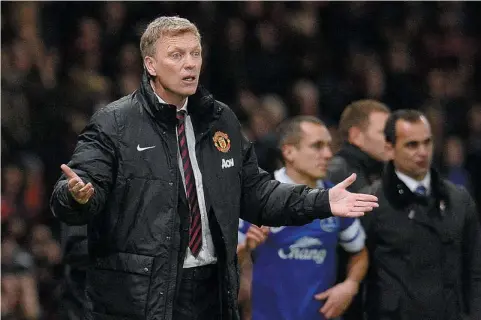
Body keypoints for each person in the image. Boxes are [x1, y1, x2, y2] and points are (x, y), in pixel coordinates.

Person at [50, 16, 378, 320]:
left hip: (211, 289)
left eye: (195, 53)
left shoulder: (221, 120)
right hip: (140, 296)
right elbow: (77, 191)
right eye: (177, 55)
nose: (190, 63)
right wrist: (76, 196)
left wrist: (322, 202)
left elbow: (257, 193)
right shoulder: (115, 122)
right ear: (150, 64)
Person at [361, 109, 481, 320]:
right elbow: (359, 277)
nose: (422, 152)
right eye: (412, 145)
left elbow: (477, 272)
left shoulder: (459, 200)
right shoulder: (370, 202)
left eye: (427, 143)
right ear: (389, 149)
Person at [238, 116, 369, 320]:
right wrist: (246, 249)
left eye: (329, 146)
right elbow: (224, 266)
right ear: (289, 151)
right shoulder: (258, 198)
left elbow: (359, 253)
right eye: (317, 146)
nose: (327, 154)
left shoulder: (334, 197)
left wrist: (350, 285)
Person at [327, 99, 390, 320]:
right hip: (338, 296)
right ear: (356, 136)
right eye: (383, 132)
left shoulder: (380, 172)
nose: (391, 141)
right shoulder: (336, 174)